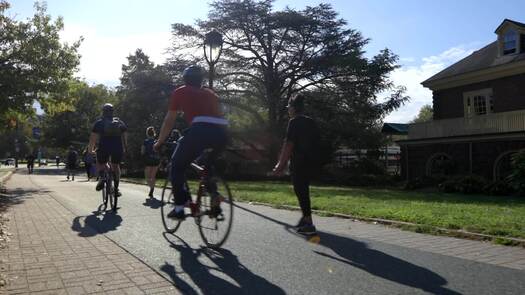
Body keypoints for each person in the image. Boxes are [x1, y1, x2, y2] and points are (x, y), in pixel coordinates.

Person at [153, 65, 228, 220]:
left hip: (199, 131)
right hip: (222, 133)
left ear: (185, 79)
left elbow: (169, 120)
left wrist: (159, 141)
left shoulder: (181, 91)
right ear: (201, 80)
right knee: (205, 166)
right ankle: (214, 196)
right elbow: (220, 114)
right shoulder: (211, 94)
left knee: (177, 165)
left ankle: (180, 208)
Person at [272, 94, 320, 234]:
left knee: (301, 191)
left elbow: (289, 145)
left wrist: (280, 165)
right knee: (303, 190)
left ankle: (309, 223)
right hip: (311, 161)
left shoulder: (294, 122)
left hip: (299, 162)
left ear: (293, 108)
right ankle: (305, 219)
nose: (288, 110)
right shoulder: (310, 121)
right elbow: (317, 140)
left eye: (289, 107)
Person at [88, 103, 128, 197]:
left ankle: (102, 177)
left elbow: (93, 139)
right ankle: (116, 187)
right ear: (112, 112)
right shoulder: (119, 122)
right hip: (117, 147)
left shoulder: (99, 123)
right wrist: (125, 147)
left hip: (104, 147)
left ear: (103, 112)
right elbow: (125, 134)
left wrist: (90, 150)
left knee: (100, 161)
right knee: (116, 166)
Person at [142, 126, 161, 198]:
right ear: (154, 133)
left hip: (148, 160)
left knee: (147, 177)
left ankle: (151, 188)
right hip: (156, 160)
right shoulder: (156, 141)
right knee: (153, 176)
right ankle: (152, 188)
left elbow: (142, 151)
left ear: (147, 133)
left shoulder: (145, 141)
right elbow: (159, 151)